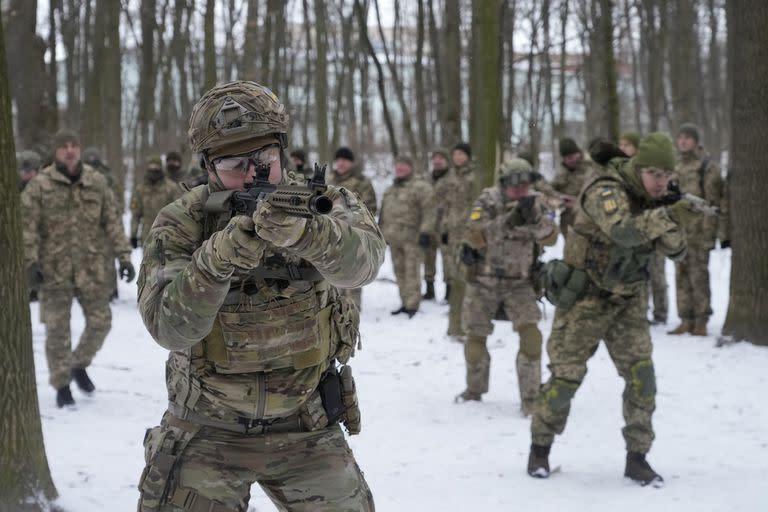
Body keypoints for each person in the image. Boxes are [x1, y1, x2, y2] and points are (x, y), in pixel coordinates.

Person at [136, 81, 383, 511]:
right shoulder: (182, 222)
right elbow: (168, 328)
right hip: (207, 430)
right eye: (235, 164)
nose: (255, 175)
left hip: (306, 426)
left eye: (265, 159)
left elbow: (364, 264)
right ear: (208, 167)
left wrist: (309, 234)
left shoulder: (322, 202)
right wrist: (215, 263)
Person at [527, 133, 699, 486]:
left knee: (642, 379)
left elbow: (678, 252)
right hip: (586, 300)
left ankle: (637, 458)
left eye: (667, 175)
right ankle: (539, 449)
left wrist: (671, 212)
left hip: (628, 302)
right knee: (564, 382)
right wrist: (666, 214)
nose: (661, 181)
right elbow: (622, 231)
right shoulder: (605, 189)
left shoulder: (656, 198)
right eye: (654, 174)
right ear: (639, 168)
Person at [21, 129, 135, 408]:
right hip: (53, 269)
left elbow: (111, 221)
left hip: (91, 268)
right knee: (58, 331)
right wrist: (30, 261)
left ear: (80, 149)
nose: (70, 150)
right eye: (64, 147)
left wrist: (124, 257)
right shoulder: (40, 185)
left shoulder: (96, 182)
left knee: (101, 322)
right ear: (56, 151)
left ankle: (78, 364)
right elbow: (28, 227)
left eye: (74, 145)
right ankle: (61, 385)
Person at [455, 158, 557, 413]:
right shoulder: (488, 200)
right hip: (483, 282)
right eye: (516, 185)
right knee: (475, 341)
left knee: (532, 338)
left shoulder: (536, 201)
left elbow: (552, 237)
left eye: (525, 184)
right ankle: (475, 390)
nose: (521, 190)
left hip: (520, 283)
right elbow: (474, 235)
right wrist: (508, 220)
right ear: (504, 184)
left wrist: (534, 219)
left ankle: (531, 399)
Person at [668, 123, 728, 336]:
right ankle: (685, 318)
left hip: (700, 231)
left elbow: (714, 202)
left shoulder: (706, 165)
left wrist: (714, 233)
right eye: (680, 137)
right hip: (679, 231)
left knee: (698, 275)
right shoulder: (675, 166)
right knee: (680, 274)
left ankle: (701, 320)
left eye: (687, 138)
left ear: (695, 141)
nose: (683, 141)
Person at [379, 155, 436, 317]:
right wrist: (381, 233)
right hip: (394, 238)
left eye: (404, 165)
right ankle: (404, 301)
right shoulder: (390, 190)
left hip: (413, 238)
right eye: (397, 165)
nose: (400, 168)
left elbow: (429, 211)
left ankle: (412, 304)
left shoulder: (420, 187)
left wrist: (426, 231)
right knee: (399, 271)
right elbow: (383, 214)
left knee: (411, 272)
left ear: (411, 167)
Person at [621, 132, 668, 324]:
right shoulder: (623, 171)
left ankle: (661, 312)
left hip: (654, 228)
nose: (623, 148)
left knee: (657, 273)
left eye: (627, 145)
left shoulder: (648, 169)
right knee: (639, 273)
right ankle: (642, 311)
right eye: (621, 144)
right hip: (636, 230)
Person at [327, 146, 378, 310]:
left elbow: (370, 207)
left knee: (354, 271)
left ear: (351, 162)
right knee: (333, 271)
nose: (341, 163)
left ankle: (353, 309)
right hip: (332, 234)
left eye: (345, 160)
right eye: (338, 160)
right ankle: (336, 307)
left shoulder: (362, 182)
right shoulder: (330, 181)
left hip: (354, 234)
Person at [443, 142, 476, 339]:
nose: (457, 157)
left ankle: (467, 325)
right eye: (454, 153)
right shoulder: (450, 177)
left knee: (467, 276)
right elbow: (445, 205)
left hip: (469, 232)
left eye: (461, 153)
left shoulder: (475, 176)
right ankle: (455, 325)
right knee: (455, 277)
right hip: (453, 234)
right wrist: (445, 228)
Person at [129, 155, 182, 248]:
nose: (153, 170)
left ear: (161, 168)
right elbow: (136, 214)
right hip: (147, 236)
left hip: (167, 236)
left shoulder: (171, 188)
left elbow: (180, 212)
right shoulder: (140, 189)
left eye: (156, 167)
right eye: (151, 167)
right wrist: (133, 234)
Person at [551, 137, 596, 238]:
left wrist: (578, 202)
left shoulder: (591, 168)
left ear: (578, 153)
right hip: (569, 226)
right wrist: (561, 199)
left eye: (571, 156)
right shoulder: (561, 174)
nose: (569, 160)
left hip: (591, 223)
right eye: (566, 157)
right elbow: (549, 193)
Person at [424, 148, 452, 301]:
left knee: (448, 260)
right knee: (428, 258)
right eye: (435, 158)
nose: (437, 160)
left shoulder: (452, 179)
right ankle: (429, 290)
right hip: (428, 226)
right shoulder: (426, 179)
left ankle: (450, 291)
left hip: (446, 226)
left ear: (447, 161)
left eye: (441, 158)